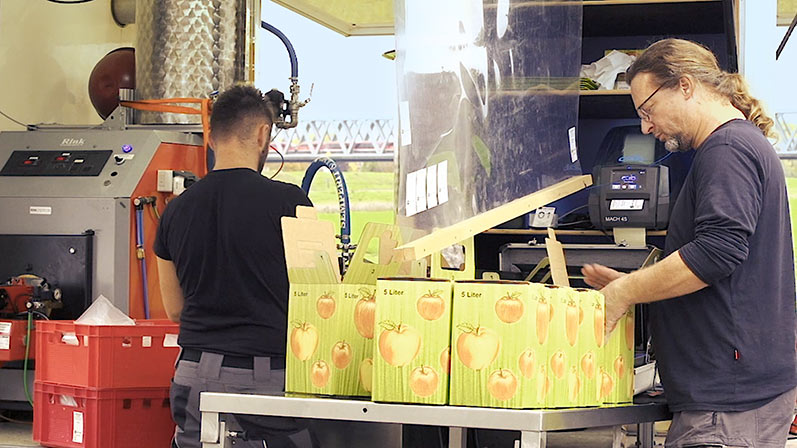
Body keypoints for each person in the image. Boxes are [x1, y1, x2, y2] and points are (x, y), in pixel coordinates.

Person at [582, 38, 797, 447]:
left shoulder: (728, 150)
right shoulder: (737, 145)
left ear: (685, 86)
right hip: (733, 398)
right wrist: (641, 287)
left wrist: (626, 291)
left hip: (728, 408)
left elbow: (717, 253)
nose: (646, 126)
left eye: (647, 110)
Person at [154, 84, 316, 448]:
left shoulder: (175, 211)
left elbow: (175, 309)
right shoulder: (291, 202)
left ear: (211, 138)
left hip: (194, 374)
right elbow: (318, 297)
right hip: (266, 379)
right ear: (263, 134)